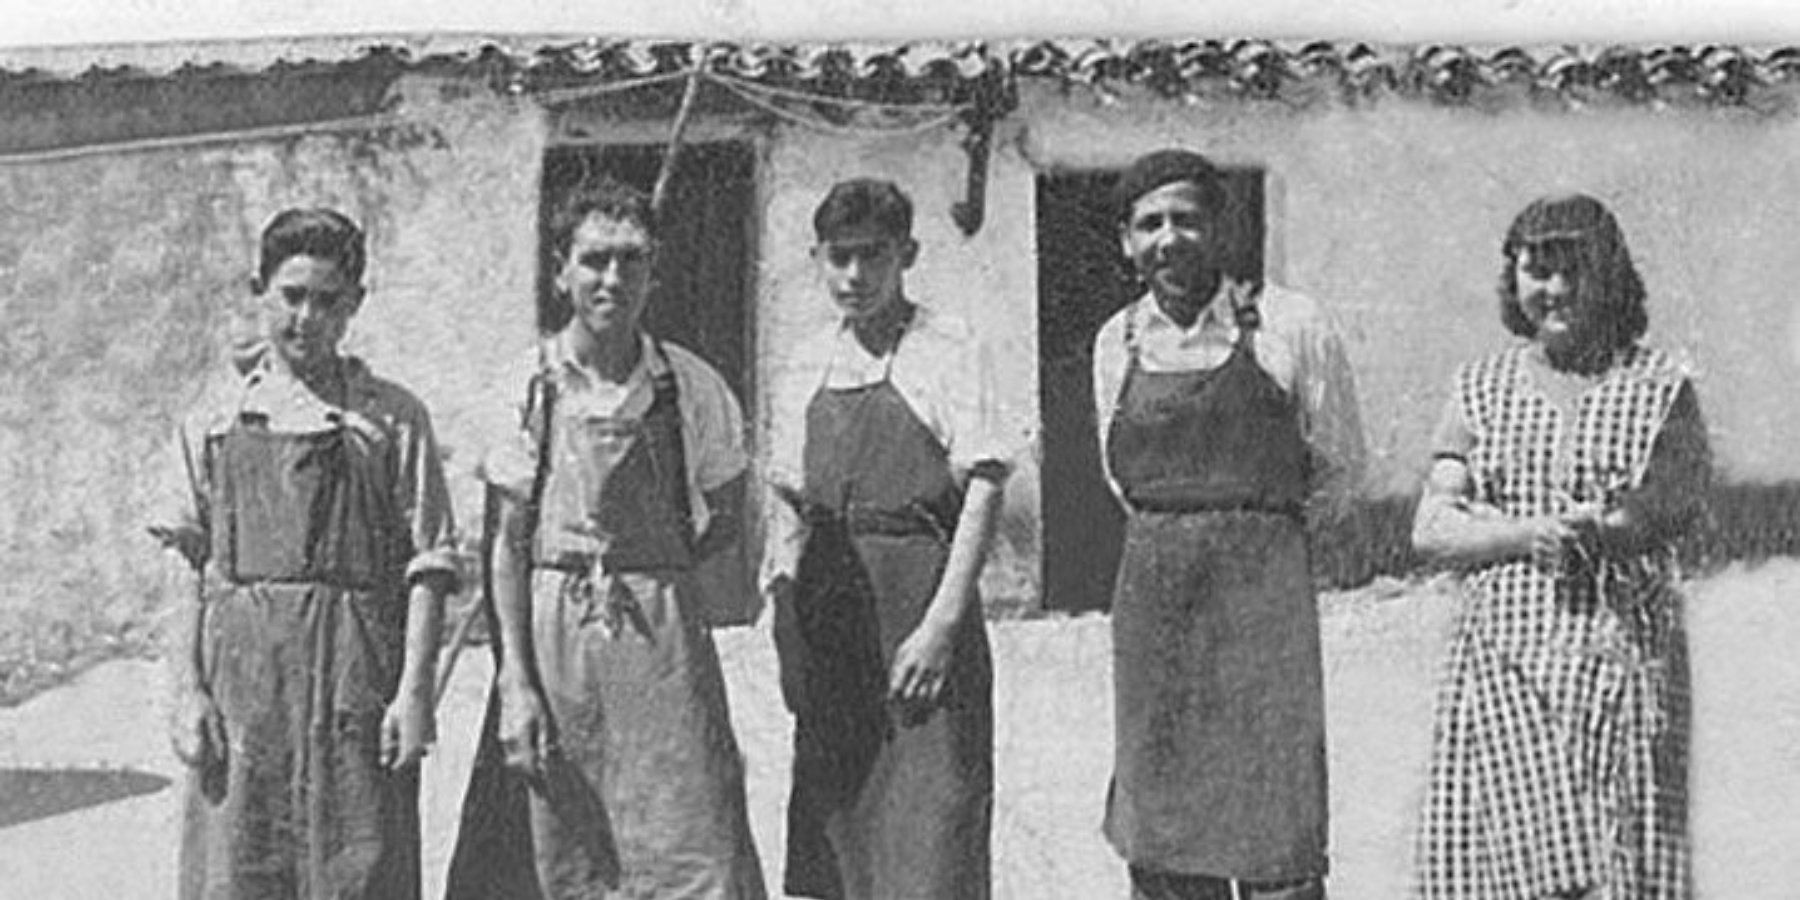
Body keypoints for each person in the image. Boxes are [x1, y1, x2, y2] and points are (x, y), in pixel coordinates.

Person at [443, 177, 765, 900]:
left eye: (631, 260)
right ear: (561, 271)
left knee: (696, 852)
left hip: (663, 648)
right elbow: (506, 548)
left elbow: (727, 514)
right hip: (554, 645)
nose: (612, 278)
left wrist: (656, 577)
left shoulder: (690, 385)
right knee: (551, 855)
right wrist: (516, 682)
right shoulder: (527, 385)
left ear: (655, 273)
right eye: (593, 260)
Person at [149, 207, 458, 899]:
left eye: (327, 301)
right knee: (239, 865)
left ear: (355, 304)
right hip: (243, 684)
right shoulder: (215, 415)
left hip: (355, 675)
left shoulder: (390, 418)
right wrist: (186, 690)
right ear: (259, 290)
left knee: (360, 863)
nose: (307, 318)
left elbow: (430, 566)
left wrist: (414, 694)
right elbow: (182, 559)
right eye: (292, 296)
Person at [1411, 194, 1710, 900]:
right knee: (1517, 862)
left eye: (1577, 270)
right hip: (1503, 662)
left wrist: (1605, 529)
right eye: (1538, 271)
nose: (1556, 289)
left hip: (1621, 661)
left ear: (1613, 276)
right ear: (1513, 280)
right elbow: (1432, 527)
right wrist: (1525, 533)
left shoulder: (1661, 388)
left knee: (1622, 852)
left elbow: (1673, 504)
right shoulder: (1480, 389)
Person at [1092, 149, 1366, 900]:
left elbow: (1340, 468)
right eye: (1150, 224)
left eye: (1186, 219)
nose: (1169, 239)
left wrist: (1259, 540)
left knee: (1278, 821)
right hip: (1156, 607)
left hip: (1263, 604)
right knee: (1166, 828)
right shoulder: (1115, 341)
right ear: (1126, 241)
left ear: (1220, 227)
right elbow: (1122, 480)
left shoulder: (1291, 324)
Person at [760, 178, 1010, 900]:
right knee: (839, 838)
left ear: (908, 254)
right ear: (817, 258)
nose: (854, 275)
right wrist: (786, 630)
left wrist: (940, 629)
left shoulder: (950, 347)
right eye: (838, 257)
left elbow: (985, 488)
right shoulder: (805, 359)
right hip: (833, 615)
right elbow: (787, 503)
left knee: (934, 834)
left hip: (920, 603)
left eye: (873, 255)